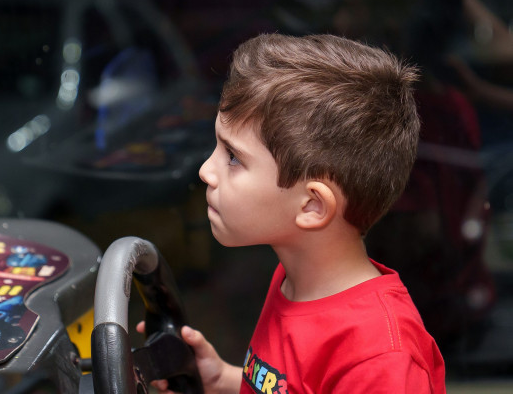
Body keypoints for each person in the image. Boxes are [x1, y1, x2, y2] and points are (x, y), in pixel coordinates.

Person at [138, 33, 446, 393]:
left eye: (233, 157)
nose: (207, 171)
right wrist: (222, 380)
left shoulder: (380, 361)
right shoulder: (294, 278)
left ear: (312, 206)